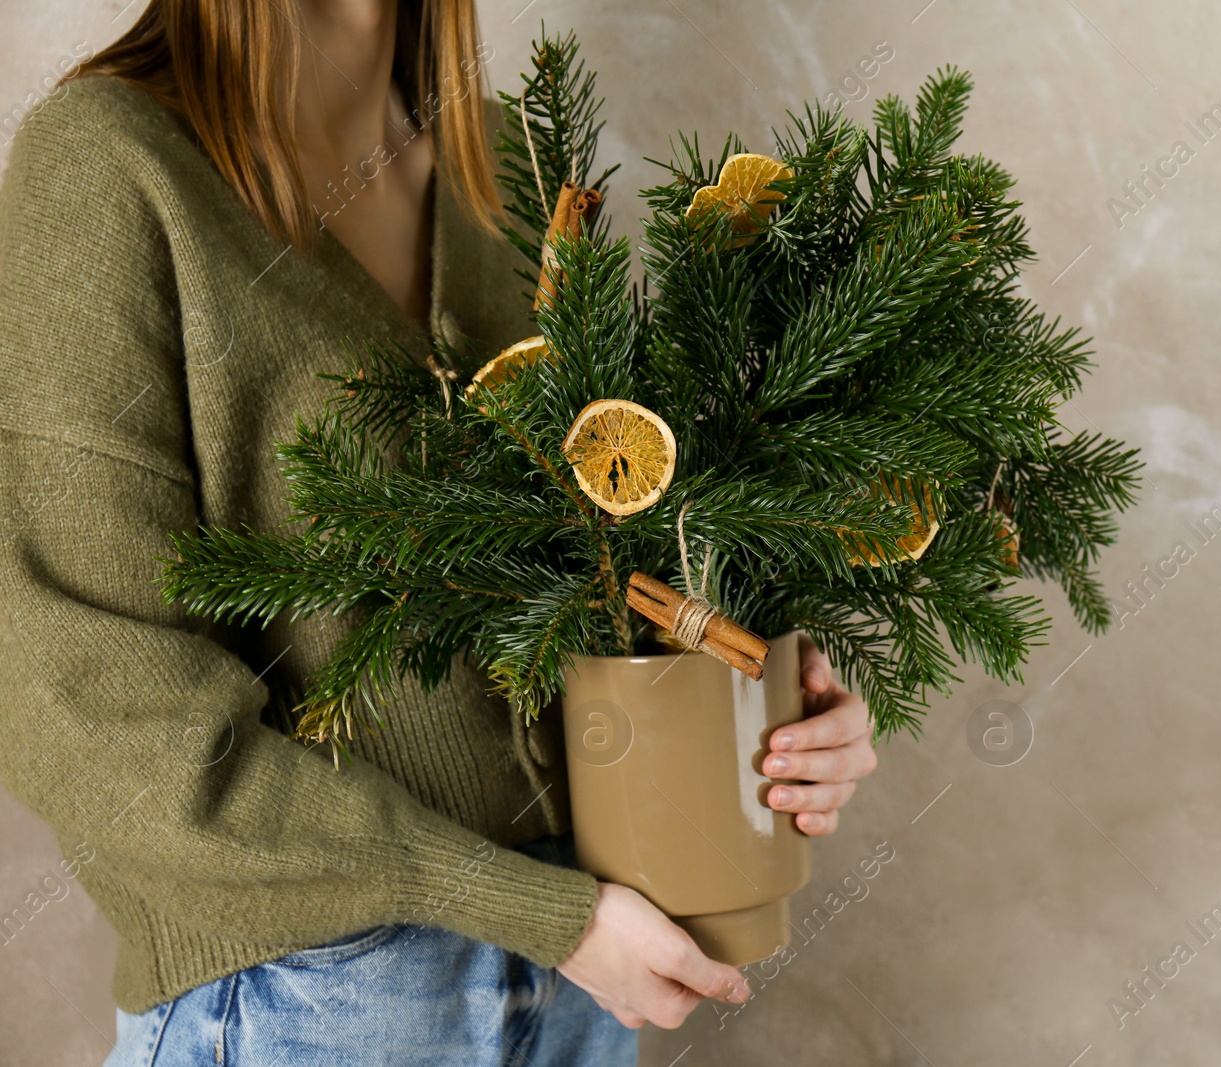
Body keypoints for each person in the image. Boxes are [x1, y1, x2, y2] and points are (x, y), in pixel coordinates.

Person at [0, 2, 879, 1063]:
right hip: (310, 996)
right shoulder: (109, 166)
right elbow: (90, 708)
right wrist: (524, 905)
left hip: (587, 976)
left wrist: (768, 702)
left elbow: (605, 570)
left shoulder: (506, 163)